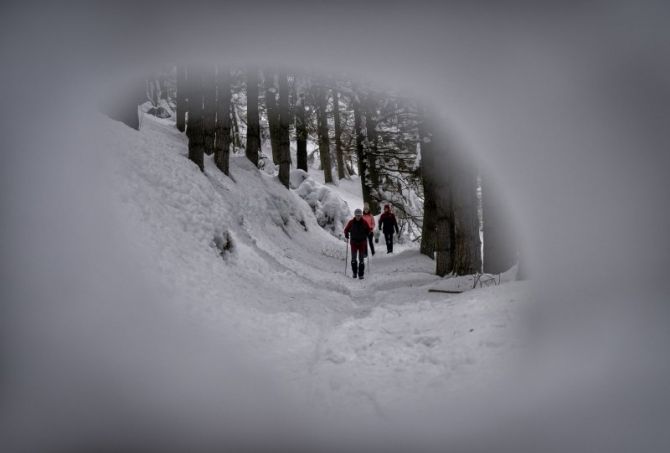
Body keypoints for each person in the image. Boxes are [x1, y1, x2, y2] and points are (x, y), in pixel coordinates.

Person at [344, 208, 371, 279]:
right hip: (354, 242)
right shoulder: (351, 222)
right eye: (357, 215)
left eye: (359, 215)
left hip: (362, 242)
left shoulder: (364, 222)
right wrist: (346, 233)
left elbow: (368, 230)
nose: (358, 217)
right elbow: (346, 229)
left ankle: (361, 274)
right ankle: (354, 272)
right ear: (355, 215)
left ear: (361, 215)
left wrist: (368, 233)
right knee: (353, 258)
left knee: (361, 259)